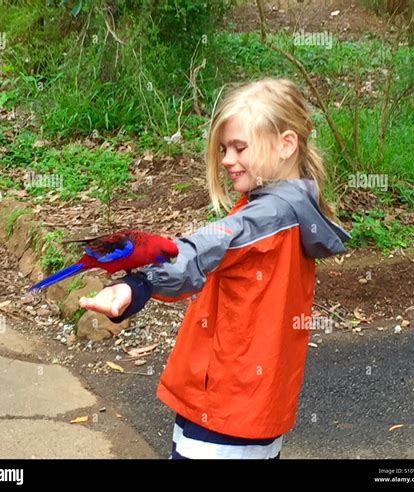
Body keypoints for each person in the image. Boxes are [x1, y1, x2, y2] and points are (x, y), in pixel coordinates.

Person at [80, 78, 351, 459]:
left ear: (286, 144)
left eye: (240, 147)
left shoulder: (266, 217)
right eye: (224, 148)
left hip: (224, 407)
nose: (226, 159)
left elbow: (199, 250)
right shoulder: (294, 211)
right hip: (256, 404)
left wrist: (138, 285)